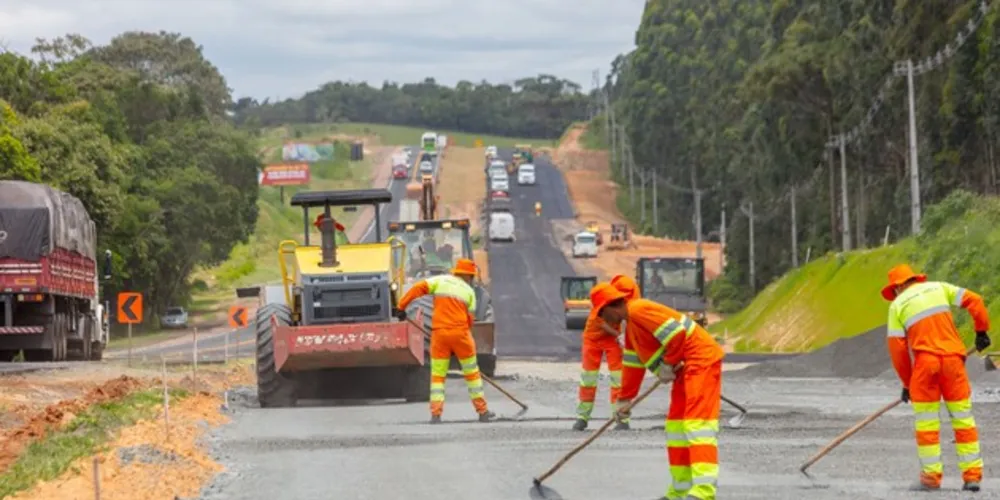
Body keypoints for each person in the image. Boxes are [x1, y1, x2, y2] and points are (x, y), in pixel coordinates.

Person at [592, 280, 724, 500]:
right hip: (684, 369)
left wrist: (667, 363)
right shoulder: (631, 326)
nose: (602, 319)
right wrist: (624, 399)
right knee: (675, 426)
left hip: (700, 362)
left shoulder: (639, 310)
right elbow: (633, 365)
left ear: (611, 306)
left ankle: (703, 492)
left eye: (601, 313)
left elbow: (677, 335)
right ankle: (680, 490)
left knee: (697, 424)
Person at [882, 264, 990, 492]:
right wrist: (981, 331)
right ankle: (972, 478)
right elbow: (975, 301)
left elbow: (898, 350)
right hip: (953, 362)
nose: (895, 295)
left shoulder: (897, 306)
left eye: (894, 291)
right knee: (963, 419)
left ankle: (931, 479)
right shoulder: (939, 288)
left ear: (899, 286)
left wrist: (907, 382)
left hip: (925, 366)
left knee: (927, 424)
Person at [395, 258, 496, 424]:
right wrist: (460, 347)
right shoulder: (469, 292)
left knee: (437, 377)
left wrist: (401, 306)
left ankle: (436, 415)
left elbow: (417, 288)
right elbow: (469, 320)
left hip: (439, 336)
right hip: (461, 335)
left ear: (456, 272)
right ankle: (483, 412)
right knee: (472, 375)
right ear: (469, 277)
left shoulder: (440, 281)